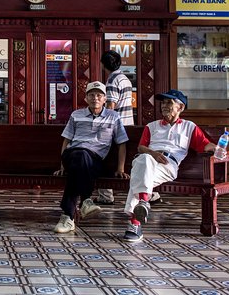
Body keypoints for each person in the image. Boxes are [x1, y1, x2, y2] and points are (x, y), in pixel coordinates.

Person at [122, 89, 218, 242]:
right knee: (143, 161)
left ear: (180, 107)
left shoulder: (189, 127)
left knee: (139, 175)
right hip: (149, 159)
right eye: (163, 103)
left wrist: (217, 149)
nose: (164, 106)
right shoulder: (152, 126)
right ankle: (139, 212)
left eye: (169, 103)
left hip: (168, 166)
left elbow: (204, 145)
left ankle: (139, 212)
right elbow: (141, 147)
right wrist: (153, 154)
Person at [53, 81, 129, 233]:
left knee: (79, 167)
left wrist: (120, 168)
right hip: (72, 155)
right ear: (86, 98)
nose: (95, 98)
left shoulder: (113, 117)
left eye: (99, 95)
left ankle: (68, 217)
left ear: (104, 98)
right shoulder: (76, 115)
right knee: (79, 155)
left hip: (94, 160)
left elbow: (122, 143)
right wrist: (62, 165)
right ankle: (85, 201)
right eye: (92, 95)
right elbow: (66, 141)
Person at [95, 50, 135, 205]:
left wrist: (103, 124)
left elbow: (111, 105)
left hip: (116, 126)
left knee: (103, 156)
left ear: (103, 65)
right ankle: (151, 193)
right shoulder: (124, 78)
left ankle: (105, 195)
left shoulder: (112, 81)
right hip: (128, 123)